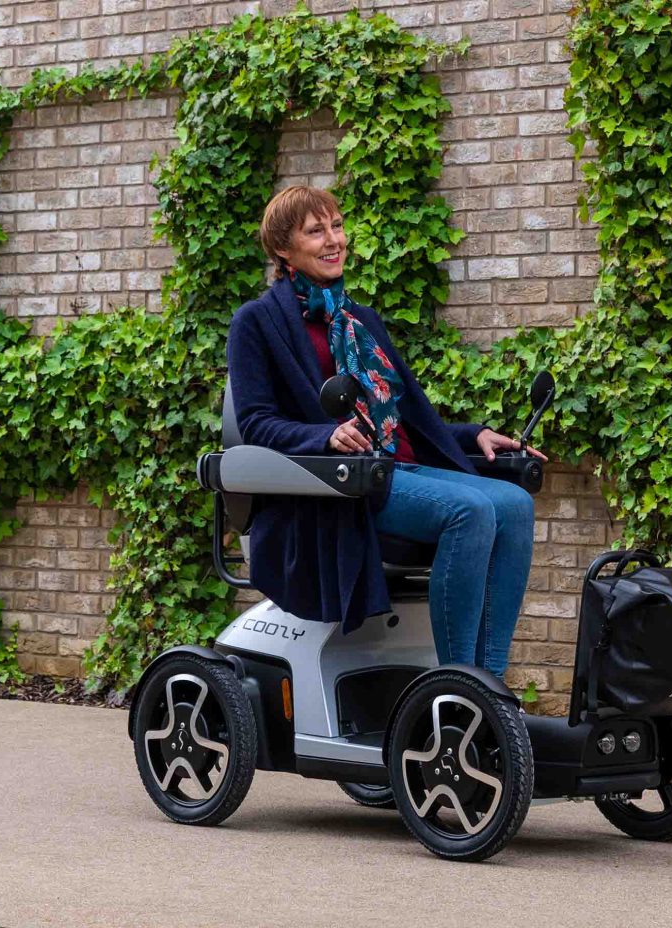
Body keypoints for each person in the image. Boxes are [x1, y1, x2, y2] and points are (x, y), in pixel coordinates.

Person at [225, 185, 544, 676]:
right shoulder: (256, 323)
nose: (334, 240)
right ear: (283, 249)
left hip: (394, 465)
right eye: (316, 231)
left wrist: (472, 435)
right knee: (472, 511)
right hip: (338, 487)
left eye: (337, 226)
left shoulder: (360, 320)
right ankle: (459, 682)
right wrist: (324, 438)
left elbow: (405, 417)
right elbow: (256, 422)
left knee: (516, 504)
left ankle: (490, 681)